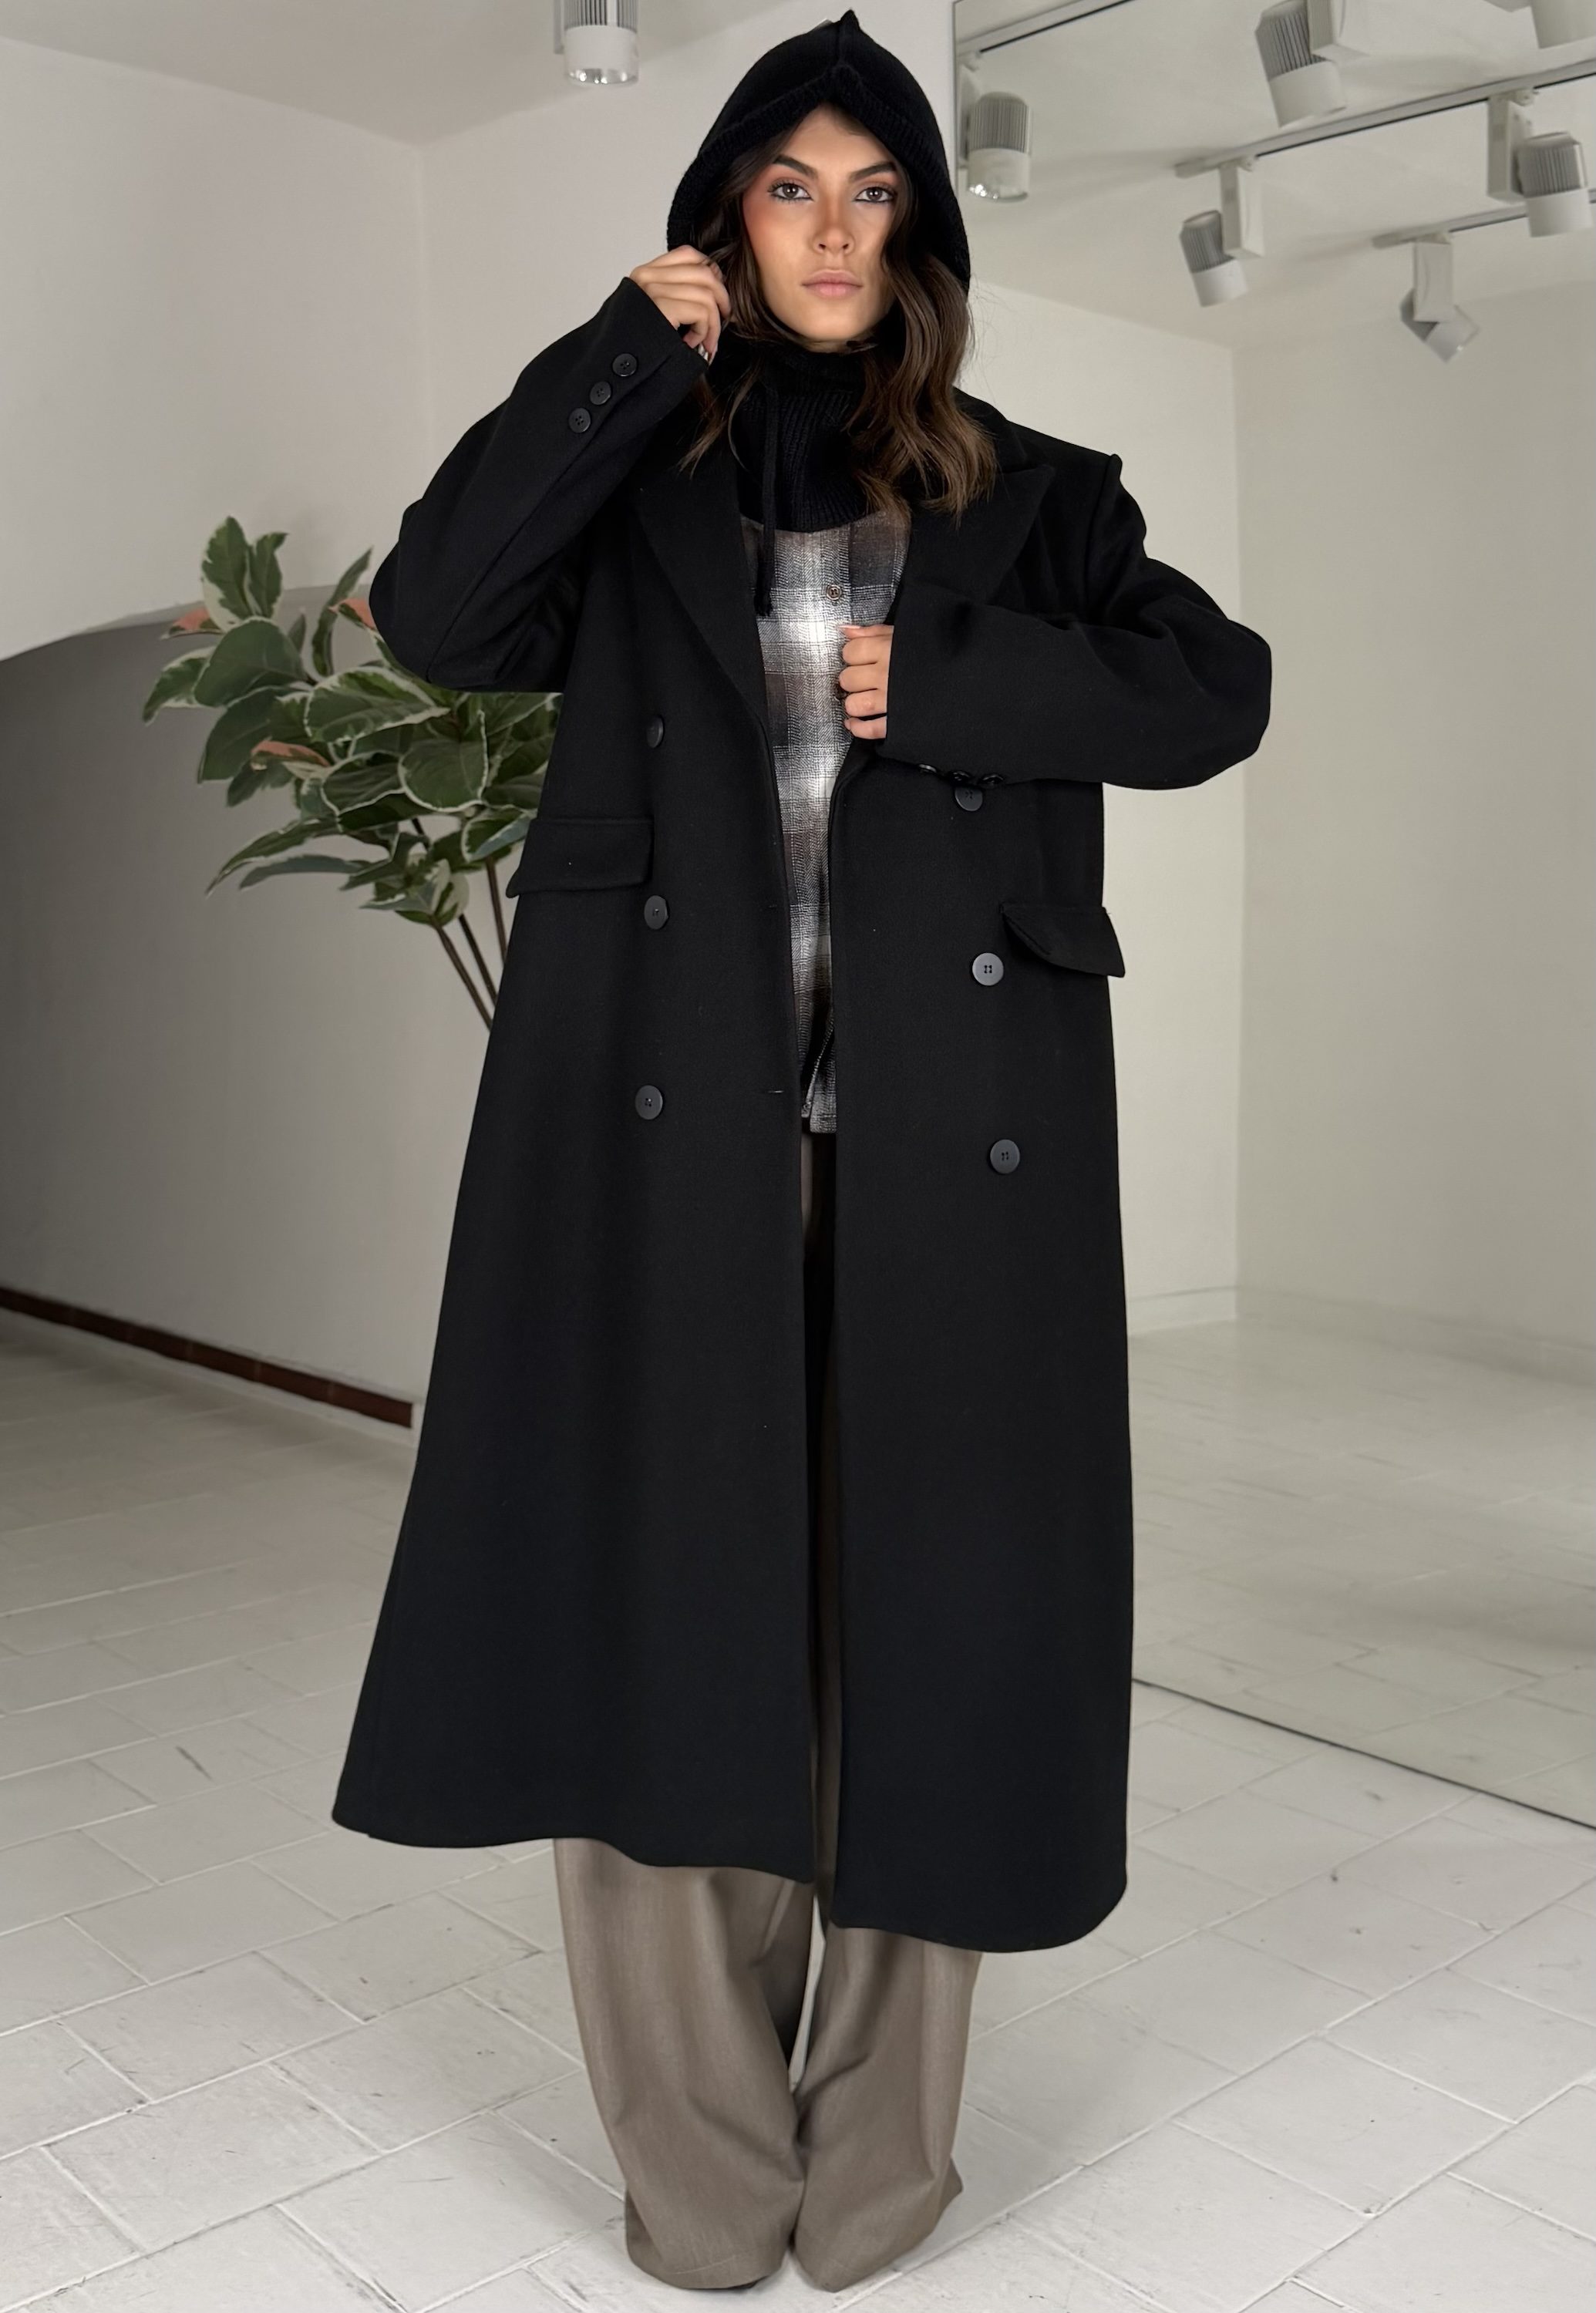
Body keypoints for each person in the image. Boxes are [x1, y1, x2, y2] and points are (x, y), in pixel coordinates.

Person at [332, 8, 1272, 2296]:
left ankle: (875, 2177)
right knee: (667, 1633)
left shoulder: (1042, 496)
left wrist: (950, 685)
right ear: (725, 221)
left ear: (915, 227)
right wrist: (610, 359)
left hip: (955, 1168)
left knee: (934, 1645)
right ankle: (703, 2178)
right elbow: (437, 614)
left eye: (870, 192)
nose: (831, 232)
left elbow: (1214, 690)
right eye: (788, 188)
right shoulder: (629, 474)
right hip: (670, 1161)